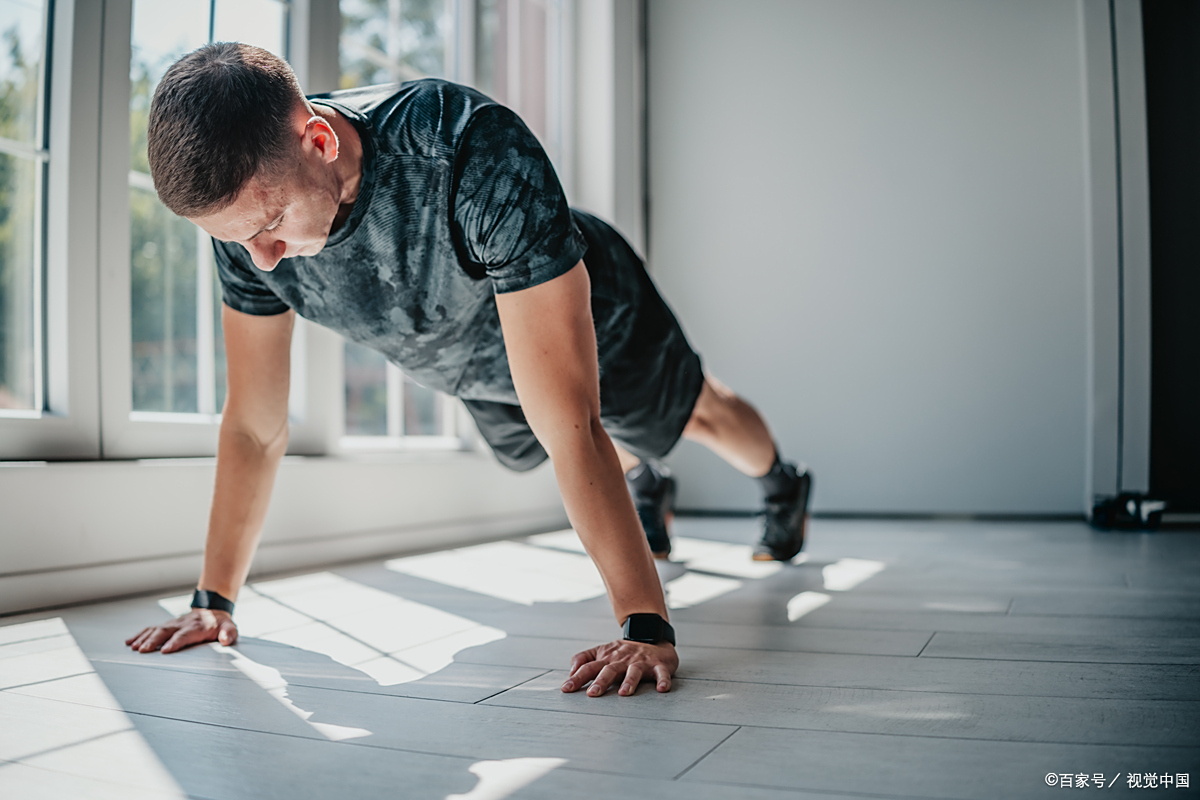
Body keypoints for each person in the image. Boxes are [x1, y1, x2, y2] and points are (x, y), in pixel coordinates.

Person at [125, 43, 812, 698]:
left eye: (270, 224)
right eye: (237, 239)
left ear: (321, 142)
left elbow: (571, 422)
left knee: (691, 414)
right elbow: (254, 426)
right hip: (471, 360)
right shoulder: (249, 221)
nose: (264, 259)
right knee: (557, 446)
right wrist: (212, 600)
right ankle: (644, 485)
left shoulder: (468, 148)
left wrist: (645, 626)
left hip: (596, 315)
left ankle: (782, 483)